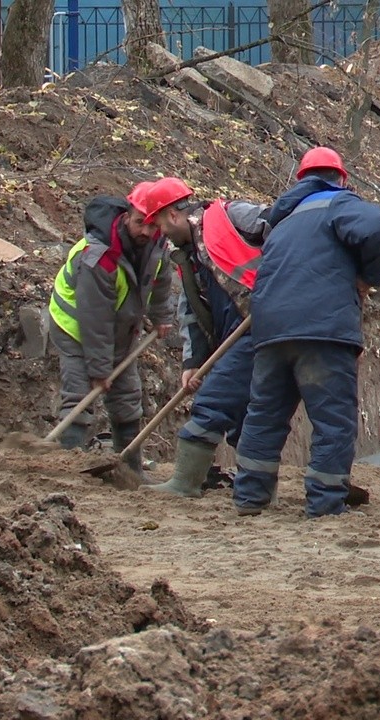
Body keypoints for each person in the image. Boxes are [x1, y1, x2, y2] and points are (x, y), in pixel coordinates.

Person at [232, 146, 380, 518]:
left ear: (299, 180)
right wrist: (368, 278)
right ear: (342, 178)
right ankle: (324, 505)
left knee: (264, 414)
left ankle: (249, 499)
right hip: (322, 328)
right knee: (333, 420)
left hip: (271, 328)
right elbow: (377, 228)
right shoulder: (337, 203)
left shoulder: (282, 220)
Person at [137, 177, 270, 498]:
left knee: (213, 402)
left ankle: (184, 483)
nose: (160, 233)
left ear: (171, 214)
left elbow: (284, 227)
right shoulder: (187, 255)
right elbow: (192, 310)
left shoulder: (232, 217)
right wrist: (193, 362)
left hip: (259, 328)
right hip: (232, 335)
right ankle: (260, 492)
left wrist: (276, 286)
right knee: (246, 417)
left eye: (159, 224)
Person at [47, 181, 174, 474]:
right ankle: (69, 464)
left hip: (120, 327)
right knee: (80, 393)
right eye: (140, 223)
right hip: (75, 326)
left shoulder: (156, 244)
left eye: (153, 225)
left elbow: (161, 281)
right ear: (127, 215)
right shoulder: (98, 256)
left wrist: (161, 315)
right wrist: (100, 370)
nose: (146, 231)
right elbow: (95, 318)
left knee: (128, 394)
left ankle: (129, 467)